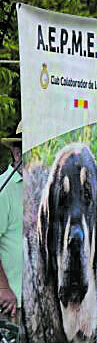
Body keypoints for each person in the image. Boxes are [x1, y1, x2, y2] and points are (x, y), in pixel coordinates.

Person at [0, 122, 22, 322]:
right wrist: (4, 288)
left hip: (35, 302)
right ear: (17, 154)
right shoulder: (4, 189)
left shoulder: (41, 187)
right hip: (10, 304)